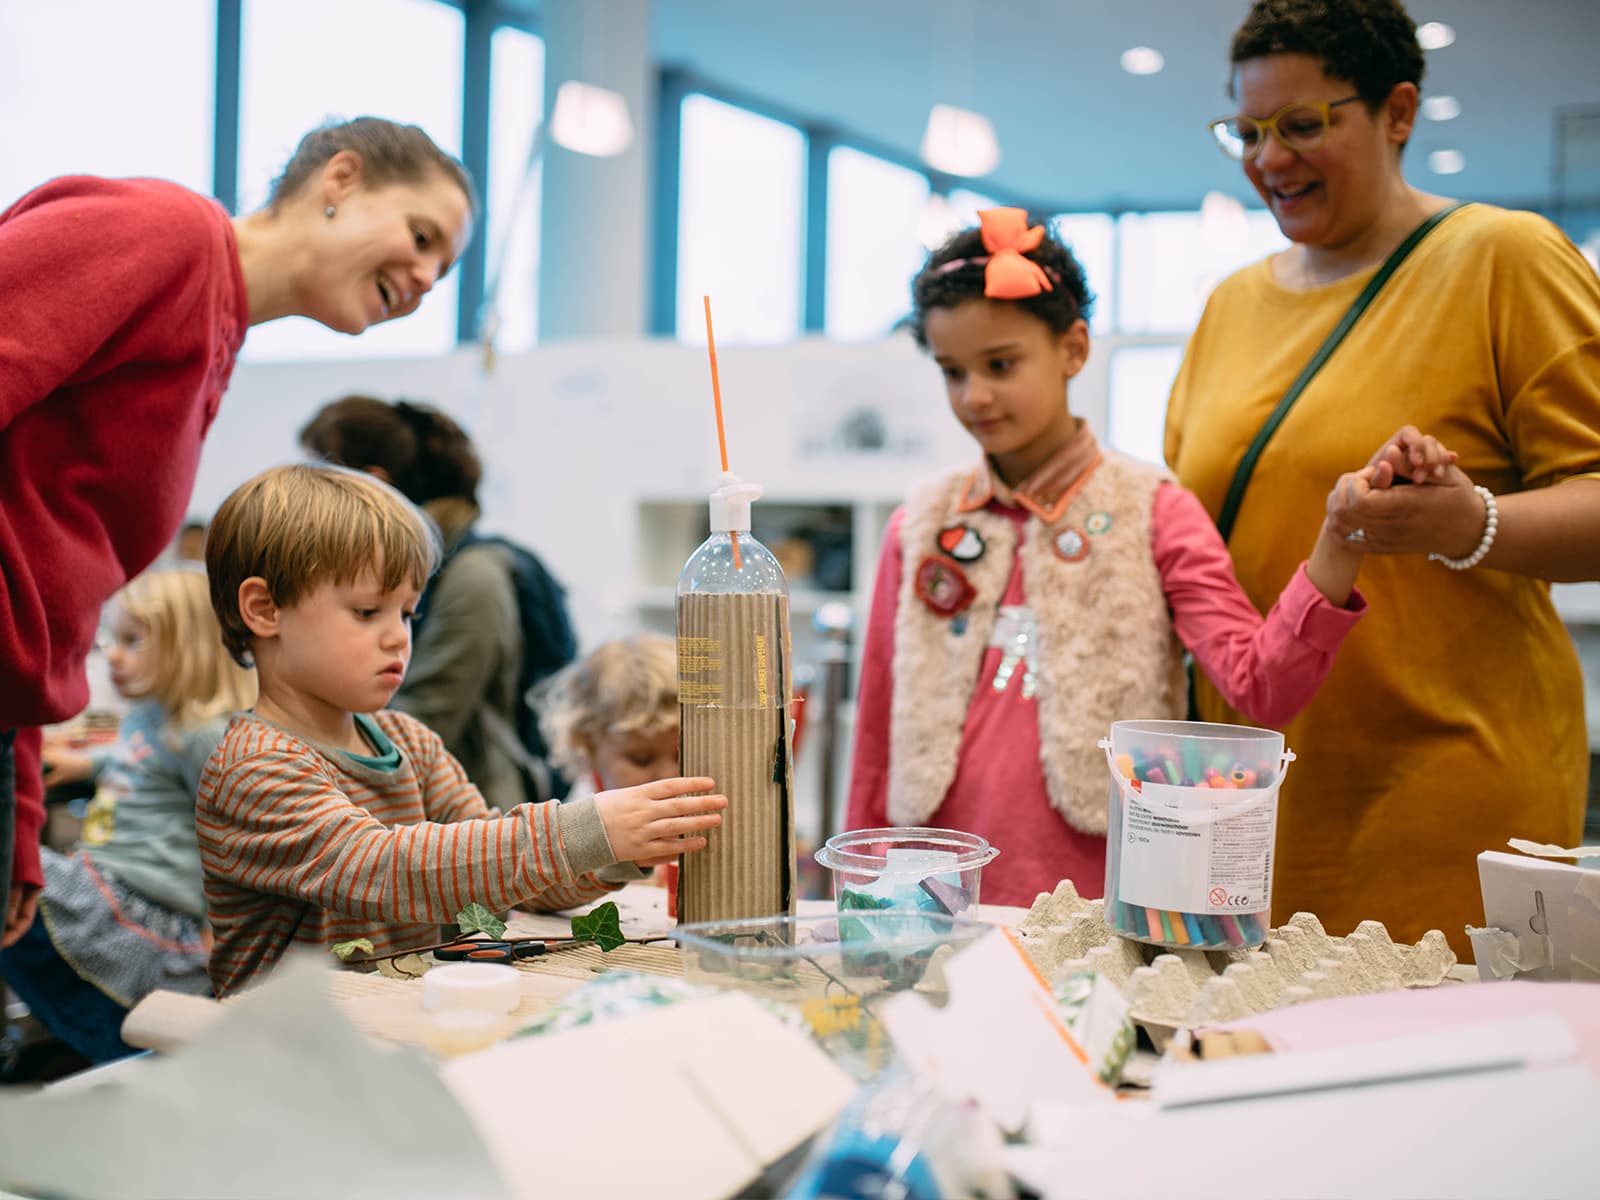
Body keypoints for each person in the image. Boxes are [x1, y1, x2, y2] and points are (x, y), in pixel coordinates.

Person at [844, 207, 1453, 908]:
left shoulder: (1153, 509)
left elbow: (1262, 686)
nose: (974, 395)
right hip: (933, 898)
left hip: (1101, 899)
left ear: (1073, 348)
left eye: (1001, 364)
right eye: (952, 372)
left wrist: (1340, 538)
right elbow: (877, 729)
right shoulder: (920, 523)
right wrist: (862, 887)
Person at [1164, 0, 1600, 953]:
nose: (1268, 158)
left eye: (1303, 125)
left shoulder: (1502, 258)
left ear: (1398, 111)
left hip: (1447, 778)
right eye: (1248, 130)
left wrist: (1470, 523)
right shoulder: (1229, 307)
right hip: (1251, 790)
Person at [0, 116, 478, 952]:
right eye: (422, 234)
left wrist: (22, 813)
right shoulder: (168, 236)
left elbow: (46, 584)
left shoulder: (214, 340)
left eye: (445, 266)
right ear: (340, 181)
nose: (430, 275)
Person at [197, 464, 725, 996]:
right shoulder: (255, 767)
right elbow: (385, 871)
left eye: (406, 614)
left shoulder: (409, 742)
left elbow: (496, 881)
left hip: (389, 1027)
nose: (397, 639)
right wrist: (586, 829)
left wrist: (620, 848)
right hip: (283, 1053)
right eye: (366, 611)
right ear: (264, 610)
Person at [0, 570, 255, 1062]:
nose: (112, 654)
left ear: (190, 649)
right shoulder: (152, 714)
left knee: (17, 871)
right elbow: (136, 755)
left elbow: (231, 840)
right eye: (114, 639)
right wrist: (84, 763)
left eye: (133, 641)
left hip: (143, 904)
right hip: (105, 877)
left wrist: (219, 930)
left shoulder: (207, 737)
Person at [299, 394, 576, 810]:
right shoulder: (432, 568)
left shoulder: (473, 577)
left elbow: (428, 715)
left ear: (376, 481)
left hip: (474, 813)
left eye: (320, 475)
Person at [538, 634, 683, 910]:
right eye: (641, 759)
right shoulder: (569, 827)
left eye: (682, 755)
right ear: (587, 746)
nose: (669, 776)